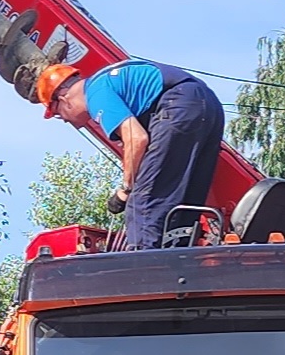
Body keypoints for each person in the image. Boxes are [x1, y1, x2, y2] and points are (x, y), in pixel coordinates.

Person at [37, 59, 225, 251]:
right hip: (209, 106)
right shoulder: (110, 83)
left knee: (142, 203)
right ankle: (180, 258)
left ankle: (143, 269)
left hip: (177, 103)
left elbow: (136, 139)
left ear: (63, 99)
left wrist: (126, 190)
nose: (65, 121)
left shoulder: (95, 92)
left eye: (59, 115)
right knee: (184, 204)